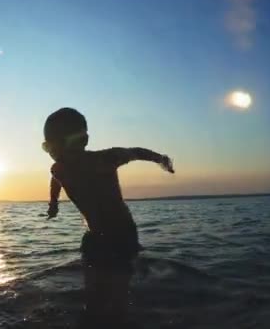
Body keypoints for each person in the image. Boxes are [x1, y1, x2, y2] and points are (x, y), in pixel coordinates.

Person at [41, 107, 174, 326]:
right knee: (94, 298)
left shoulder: (105, 159)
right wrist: (53, 204)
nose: (53, 153)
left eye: (56, 145)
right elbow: (56, 180)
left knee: (116, 300)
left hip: (122, 235)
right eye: (47, 147)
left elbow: (136, 151)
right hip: (94, 237)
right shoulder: (58, 169)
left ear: (82, 141)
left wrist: (161, 159)